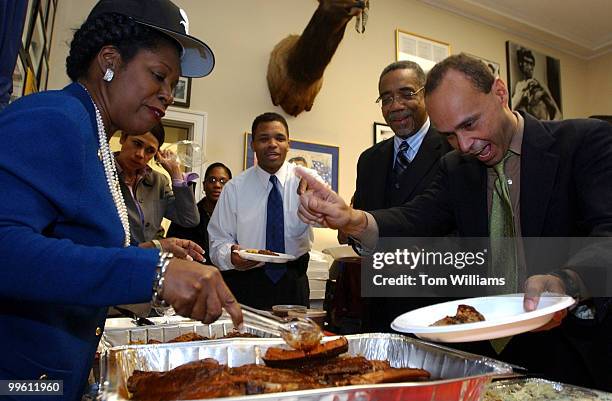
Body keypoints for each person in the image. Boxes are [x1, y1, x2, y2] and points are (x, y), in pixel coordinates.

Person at [296, 54, 612, 390]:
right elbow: (416, 218)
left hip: (577, 356)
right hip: (491, 358)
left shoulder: (584, 142)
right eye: (449, 135)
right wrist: (354, 219)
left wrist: (568, 281)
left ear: (500, 93)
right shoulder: (456, 167)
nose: (464, 145)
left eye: (470, 124)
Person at [0, 1, 242, 400]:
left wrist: (151, 252)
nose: (167, 96)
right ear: (109, 60)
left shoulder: (93, 136)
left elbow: (72, 250)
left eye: (172, 85)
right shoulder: (56, 118)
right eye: (159, 77)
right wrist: (154, 271)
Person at [350, 60, 453, 332]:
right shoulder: (369, 160)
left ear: (426, 95)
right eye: (386, 98)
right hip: (377, 308)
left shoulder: (454, 150)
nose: (395, 105)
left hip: (435, 310)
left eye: (407, 94)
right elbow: (361, 226)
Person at [208, 112, 319, 309]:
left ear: (288, 143)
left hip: (293, 282)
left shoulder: (308, 183)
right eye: (264, 139)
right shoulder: (234, 189)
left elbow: (332, 220)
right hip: (246, 283)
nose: (272, 144)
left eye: (279, 138)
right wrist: (229, 255)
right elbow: (218, 241)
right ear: (253, 145)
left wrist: (318, 199)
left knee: (298, 340)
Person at [115, 123, 199, 250]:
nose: (140, 154)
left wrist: (175, 172)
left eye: (150, 151)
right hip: (112, 259)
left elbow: (189, 219)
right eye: (137, 143)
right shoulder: (101, 171)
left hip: (149, 263)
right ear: (123, 138)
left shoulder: (158, 181)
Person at [167, 162, 233, 265]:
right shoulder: (187, 216)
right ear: (204, 185)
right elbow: (172, 250)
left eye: (223, 181)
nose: (217, 185)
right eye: (212, 180)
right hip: (192, 273)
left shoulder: (235, 218)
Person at [511, 47, 562, 121]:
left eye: (532, 64)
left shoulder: (539, 84)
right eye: (527, 63)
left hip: (544, 124)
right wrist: (522, 92)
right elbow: (511, 108)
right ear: (521, 64)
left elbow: (558, 113)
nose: (530, 67)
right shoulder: (519, 86)